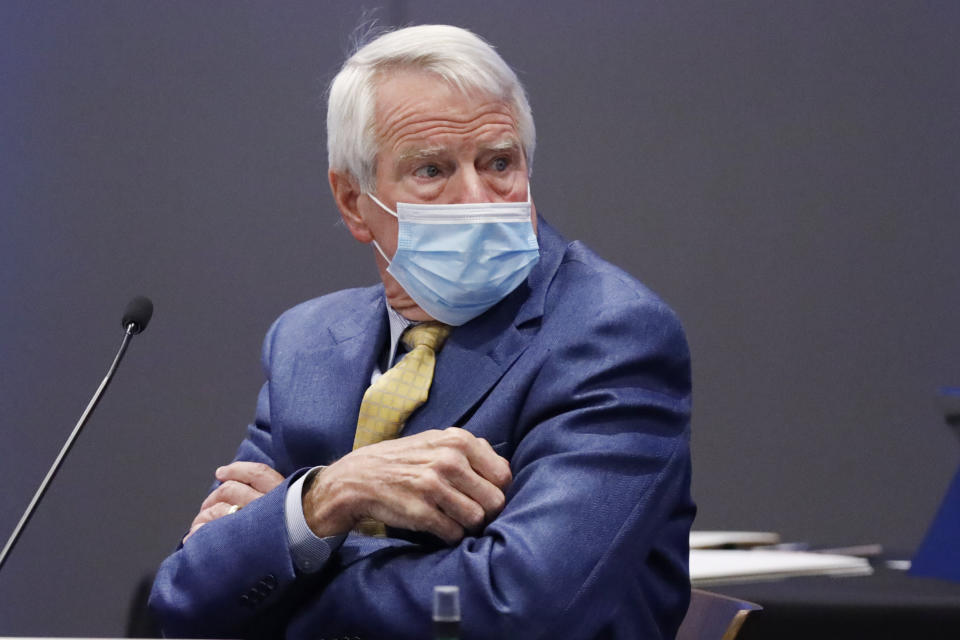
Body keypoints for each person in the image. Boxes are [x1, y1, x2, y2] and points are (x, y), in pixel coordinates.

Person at [150, 24, 694, 640]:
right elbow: (187, 597)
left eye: (499, 163)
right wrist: (329, 494)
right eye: (432, 170)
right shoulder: (306, 344)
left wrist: (298, 540)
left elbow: (520, 610)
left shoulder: (610, 334)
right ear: (355, 202)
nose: (476, 198)